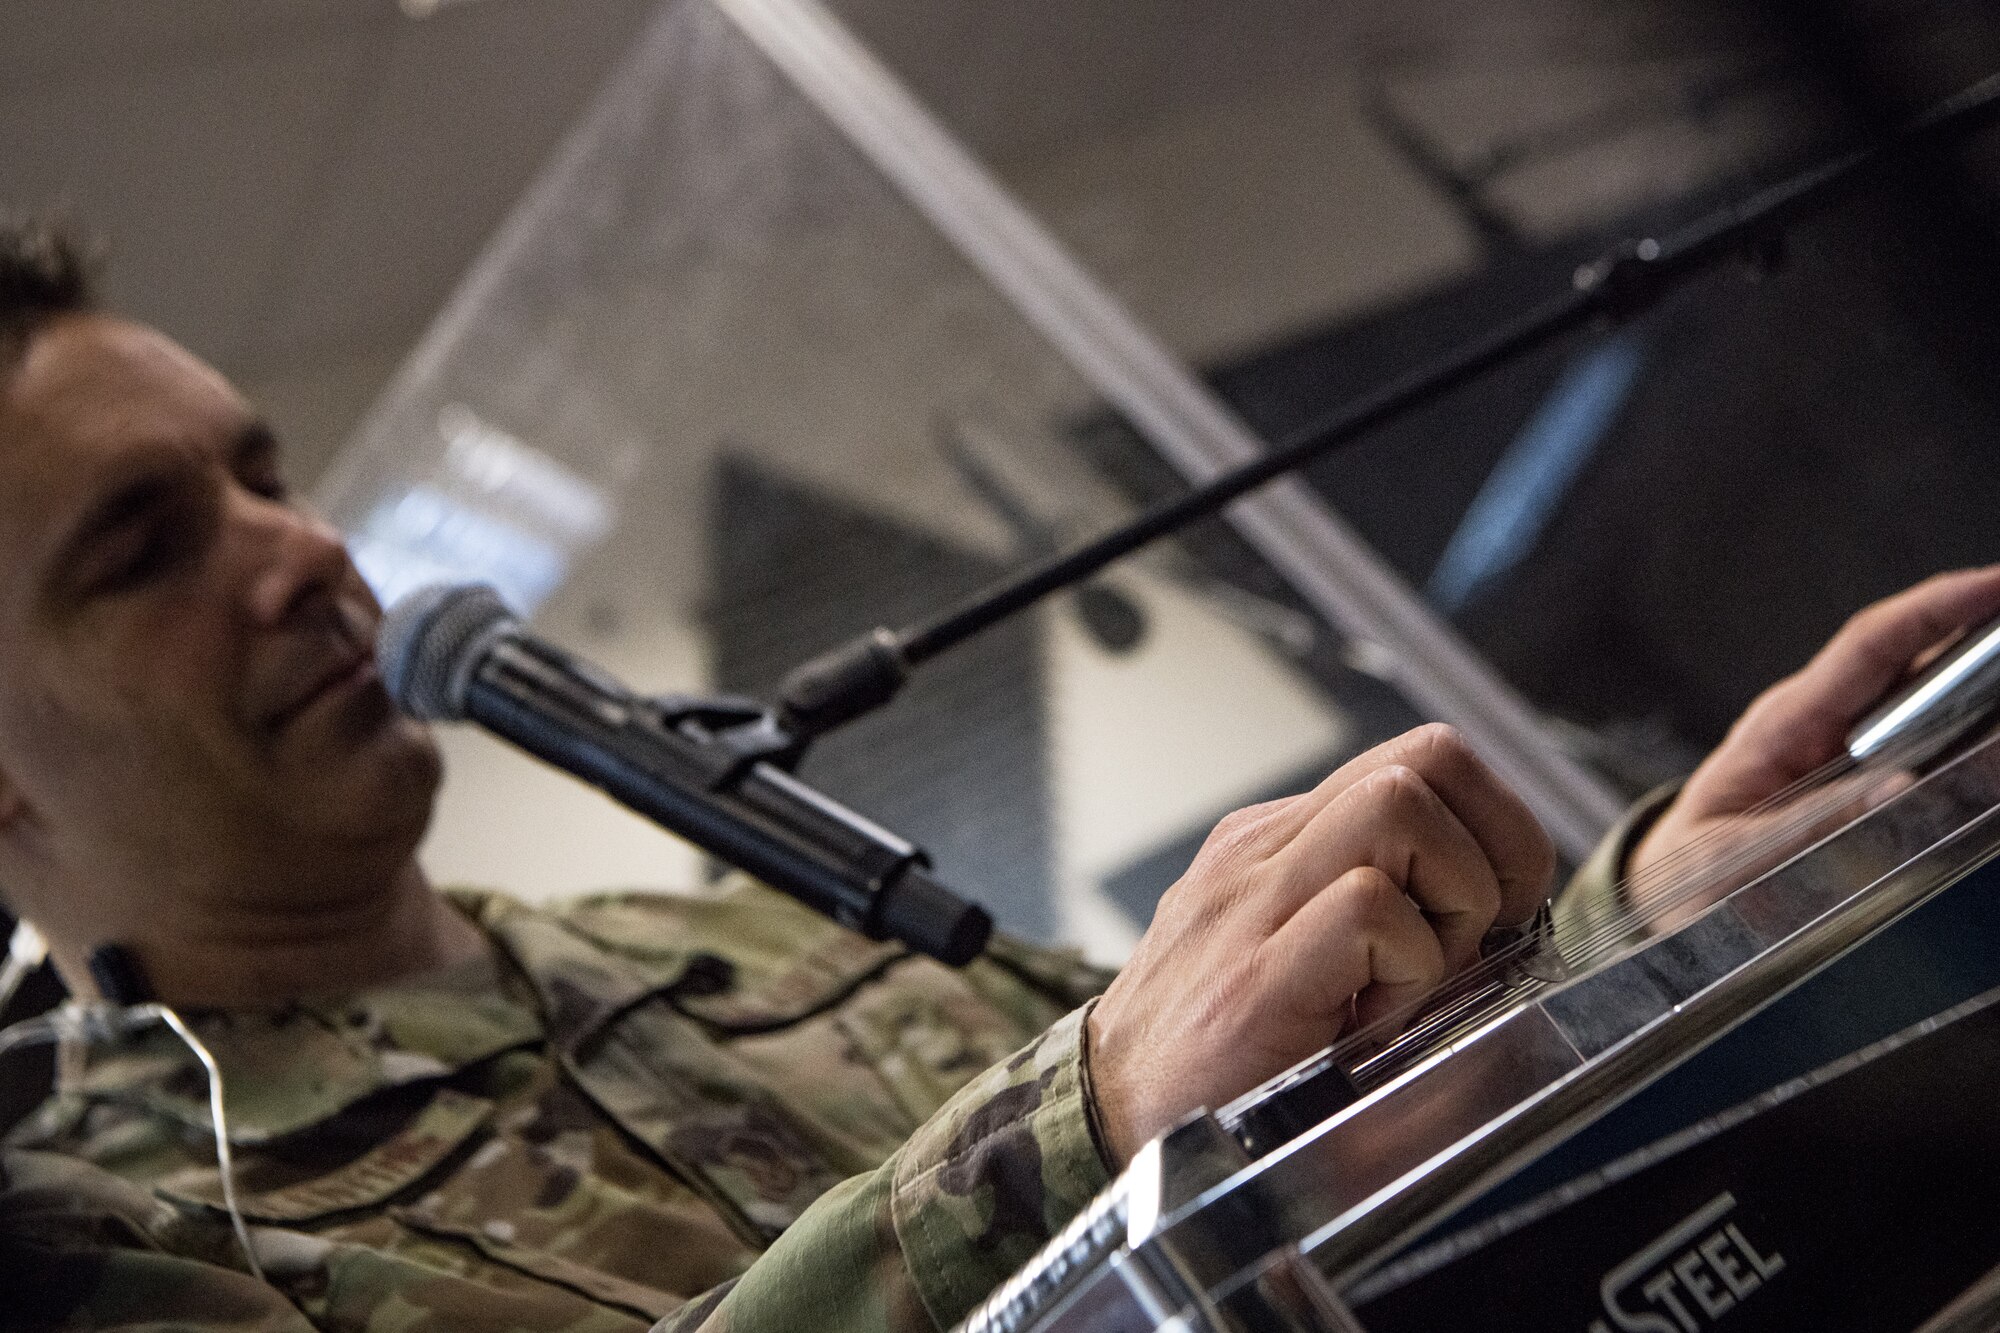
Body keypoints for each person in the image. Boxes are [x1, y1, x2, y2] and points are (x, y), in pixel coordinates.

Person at [0, 215, 1994, 1332]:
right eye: (143, 548)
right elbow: (1102, 1127)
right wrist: (1089, 1107)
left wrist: (1641, 924)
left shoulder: (717, 939)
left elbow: (1335, 1159)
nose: (302, 551)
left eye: (264, 473)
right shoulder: (113, 1238)